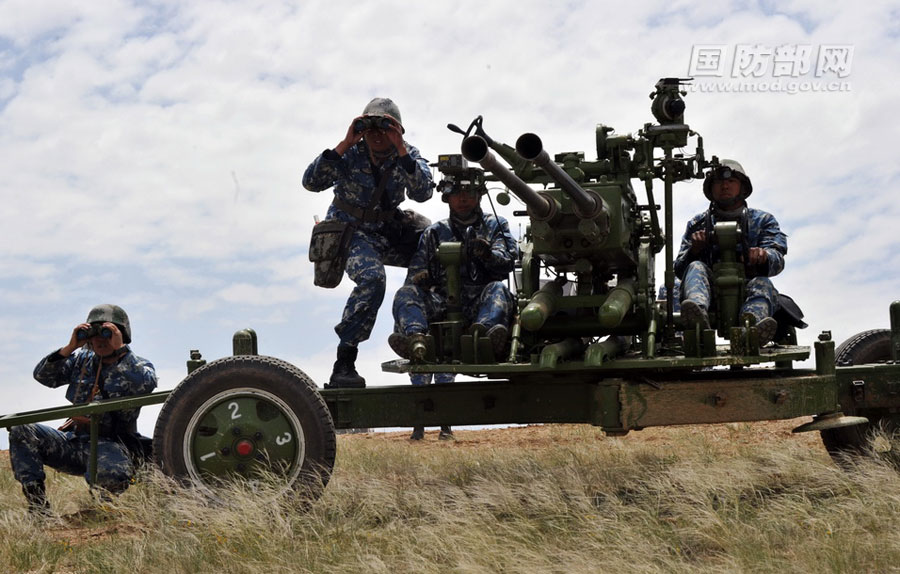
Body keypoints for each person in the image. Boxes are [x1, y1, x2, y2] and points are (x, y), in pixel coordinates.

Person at [303, 98, 434, 388]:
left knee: (435, 245)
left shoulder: (407, 154)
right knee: (373, 279)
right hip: (352, 230)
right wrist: (345, 143)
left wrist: (400, 149)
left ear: (397, 131)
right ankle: (345, 362)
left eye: (384, 127)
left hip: (387, 228)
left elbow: (424, 192)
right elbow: (311, 182)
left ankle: (412, 320)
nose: (376, 134)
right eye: (370, 126)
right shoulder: (352, 153)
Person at [391, 164, 518, 439]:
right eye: (456, 192)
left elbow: (507, 260)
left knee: (498, 290)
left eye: (469, 192)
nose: (463, 198)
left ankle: (482, 336)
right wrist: (422, 281)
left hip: (479, 306)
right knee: (405, 295)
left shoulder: (495, 226)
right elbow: (414, 275)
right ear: (446, 196)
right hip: (441, 303)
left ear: (480, 195)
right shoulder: (434, 233)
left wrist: (488, 255)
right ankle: (415, 340)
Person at [8, 304, 157, 514]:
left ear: (120, 334)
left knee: (112, 472)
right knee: (21, 429)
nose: (99, 340)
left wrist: (121, 350)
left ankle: (103, 510)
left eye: (107, 333)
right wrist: (70, 347)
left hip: (111, 445)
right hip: (74, 442)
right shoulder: (82, 361)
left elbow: (145, 383)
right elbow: (43, 376)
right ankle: (38, 507)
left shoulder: (138, 364)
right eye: (94, 334)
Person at [674, 160, 787, 344]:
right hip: (710, 293)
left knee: (763, 283)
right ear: (711, 189)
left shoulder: (763, 220)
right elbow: (679, 269)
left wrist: (763, 256)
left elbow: (778, 259)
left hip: (746, 288)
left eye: (731, 181)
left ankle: (750, 331)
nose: (725, 186)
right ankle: (697, 318)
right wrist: (694, 250)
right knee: (695, 267)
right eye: (718, 182)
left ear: (742, 187)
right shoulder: (697, 224)